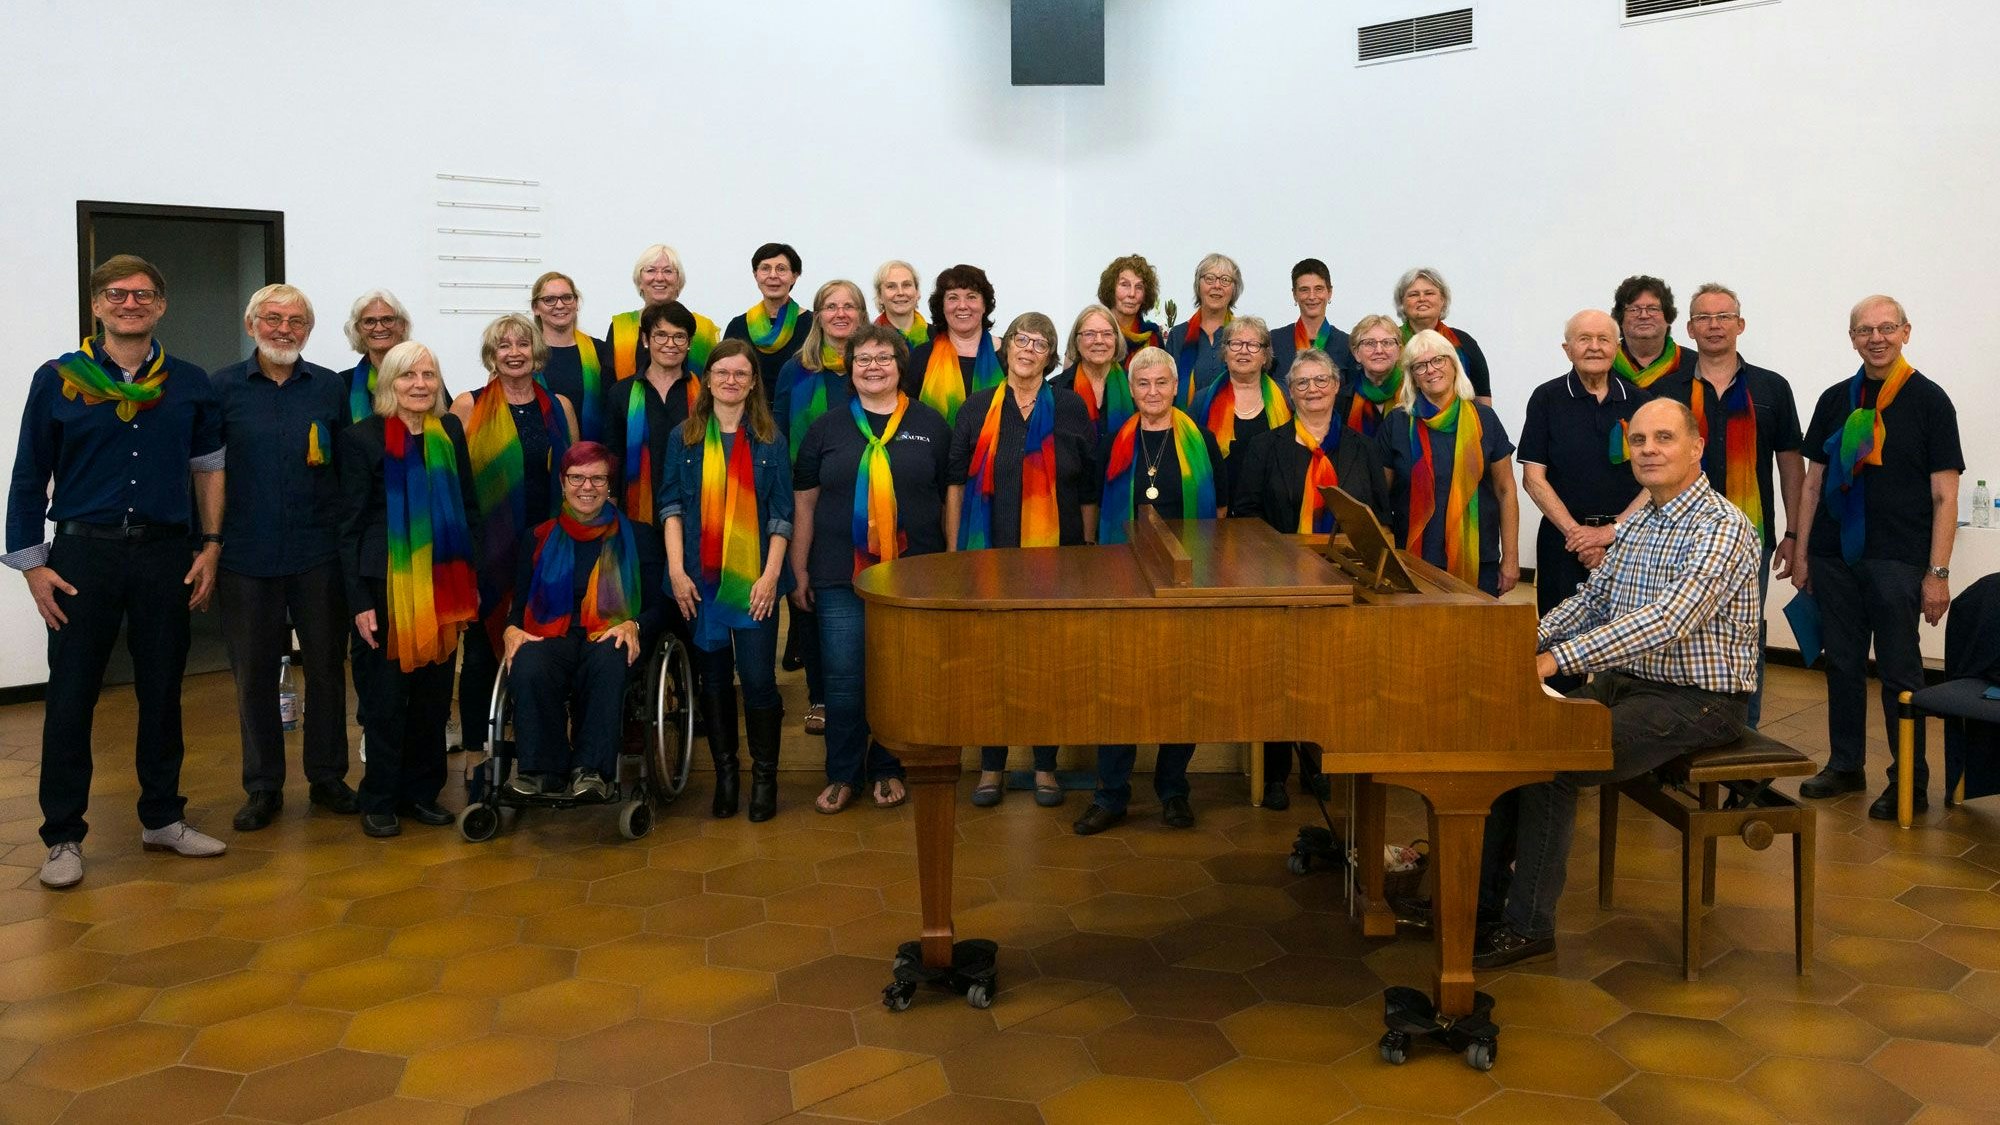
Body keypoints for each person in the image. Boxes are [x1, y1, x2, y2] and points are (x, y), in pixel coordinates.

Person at [1477, 397, 1760, 968]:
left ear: (1696, 448)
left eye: (1664, 439)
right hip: (1629, 685)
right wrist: (1518, 640)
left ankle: (1529, 925)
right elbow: (1595, 601)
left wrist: (1554, 662)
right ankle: (1476, 906)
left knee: (1554, 758)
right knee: (1512, 735)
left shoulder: (1722, 528)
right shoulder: (1642, 522)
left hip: (1701, 701)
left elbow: (1666, 621)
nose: (1649, 450)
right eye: (1639, 441)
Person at [6, 254, 229, 887]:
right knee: (72, 695)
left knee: (163, 689)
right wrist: (32, 567)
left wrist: (210, 544)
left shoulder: (187, 382)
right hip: (81, 556)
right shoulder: (57, 379)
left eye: (143, 294)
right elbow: (28, 475)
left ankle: (162, 816)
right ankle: (63, 837)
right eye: (116, 294)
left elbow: (209, 467)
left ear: (160, 306)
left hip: (165, 554)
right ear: (98, 305)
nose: (130, 303)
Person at [1794, 295, 1962, 818]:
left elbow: (1945, 495)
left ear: (1906, 333)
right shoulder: (1833, 399)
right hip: (1833, 554)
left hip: (1898, 559)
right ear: (1852, 338)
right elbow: (1814, 483)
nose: (1876, 338)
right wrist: (1802, 552)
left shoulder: (1930, 400)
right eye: (1864, 330)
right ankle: (1845, 764)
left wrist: (1937, 573)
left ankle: (1908, 777)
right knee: (1841, 663)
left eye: (1886, 328)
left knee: (1899, 672)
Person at [210, 283, 357, 832]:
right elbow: (204, 473)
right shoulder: (219, 388)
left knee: (324, 669)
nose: (284, 329)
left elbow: (344, 469)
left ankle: (326, 777)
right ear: (252, 325)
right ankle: (263, 785)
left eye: (296, 321)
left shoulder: (328, 389)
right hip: (245, 555)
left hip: (317, 552)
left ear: (309, 330)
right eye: (272, 319)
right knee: (253, 674)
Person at [790, 324, 951, 812]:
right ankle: (842, 773)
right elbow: (804, 504)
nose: (874, 367)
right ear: (849, 367)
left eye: (884, 358)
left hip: (913, 576)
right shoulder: (826, 428)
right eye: (864, 359)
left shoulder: (932, 424)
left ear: (901, 367)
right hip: (841, 575)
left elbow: (948, 500)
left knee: (897, 674)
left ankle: (886, 767)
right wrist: (799, 571)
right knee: (842, 679)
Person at [947, 312, 1098, 808]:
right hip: (988, 558)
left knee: (1044, 665)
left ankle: (1045, 767)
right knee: (991, 665)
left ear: (1052, 355)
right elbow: (954, 483)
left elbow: (1088, 487)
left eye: (1040, 342)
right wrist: (953, 555)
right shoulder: (976, 408)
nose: (1028, 349)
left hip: (1057, 562)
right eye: (1020, 339)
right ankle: (991, 765)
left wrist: (1087, 553)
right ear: (1006, 346)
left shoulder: (1072, 407)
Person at [1075, 346, 1225, 834]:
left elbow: (1219, 513)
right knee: (1118, 686)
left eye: (1162, 383)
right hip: (1124, 577)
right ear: (1132, 388)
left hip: (1190, 580)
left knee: (1182, 686)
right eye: (1143, 384)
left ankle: (1173, 788)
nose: (1153, 392)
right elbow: (1093, 502)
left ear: (1176, 386)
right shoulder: (1116, 440)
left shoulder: (1199, 436)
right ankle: (1110, 793)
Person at [1231, 348, 1390, 810]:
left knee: (1331, 676)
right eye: (1302, 383)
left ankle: (1320, 765)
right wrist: (1280, 557)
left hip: (1347, 582)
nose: (1313, 390)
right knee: (1280, 677)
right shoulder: (1266, 447)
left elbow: (1379, 515)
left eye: (1321, 381)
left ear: (1338, 386)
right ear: (1289, 392)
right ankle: (1277, 773)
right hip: (1282, 581)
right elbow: (1246, 515)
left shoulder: (1362, 447)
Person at [338, 340, 481, 838]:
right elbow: (349, 528)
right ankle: (379, 798)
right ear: (388, 384)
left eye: (428, 375)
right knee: (384, 700)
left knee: (433, 700)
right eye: (407, 376)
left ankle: (422, 793)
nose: (419, 385)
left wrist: (472, 584)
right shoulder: (361, 440)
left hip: (444, 585)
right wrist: (358, 603)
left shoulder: (450, 433)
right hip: (385, 591)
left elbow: (468, 508)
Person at [1651, 283, 1805, 728]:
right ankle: (1677, 732)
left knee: (1743, 636)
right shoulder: (1668, 388)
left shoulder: (1772, 387)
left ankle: (1742, 733)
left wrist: (1794, 534)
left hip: (1749, 536)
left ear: (1740, 324)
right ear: (1690, 328)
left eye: (1723, 316)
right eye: (1704, 317)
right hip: (1676, 534)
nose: (1714, 325)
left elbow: (1790, 466)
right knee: (1676, 633)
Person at [663, 340, 794, 821]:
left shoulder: (770, 439)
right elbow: (671, 506)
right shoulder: (686, 437)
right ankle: (726, 775)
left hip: (754, 580)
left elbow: (782, 515)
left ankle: (764, 778)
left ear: (754, 381)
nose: (731, 381)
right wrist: (677, 571)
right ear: (709, 378)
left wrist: (770, 576)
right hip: (699, 579)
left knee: (758, 680)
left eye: (741, 373)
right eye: (722, 372)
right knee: (714, 680)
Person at [500, 442, 667, 800]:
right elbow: (521, 600)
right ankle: (543, 770)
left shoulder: (638, 537)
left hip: (611, 631)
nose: (586, 487)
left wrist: (633, 625)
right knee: (527, 663)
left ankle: (590, 770)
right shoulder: (539, 536)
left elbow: (660, 605)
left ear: (610, 486)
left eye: (597, 479)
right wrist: (512, 628)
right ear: (562, 483)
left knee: (610, 657)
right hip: (553, 632)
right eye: (577, 478)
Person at [449, 315, 578, 762]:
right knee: (483, 651)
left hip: (547, 548)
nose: (514, 353)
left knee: (544, 642)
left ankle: (538, 746)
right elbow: (451, 483)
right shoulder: (467, 405)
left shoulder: (559, 406)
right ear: (492, 355)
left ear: (536, 351)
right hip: (487, 548)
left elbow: (575, 480)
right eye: (504, 346)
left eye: (523, 344)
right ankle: (477, 754)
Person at [1518, 310, 1653, 692]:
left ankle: (1616, 734)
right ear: (1567, 349)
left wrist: (1612, 532)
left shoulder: (1640, 401)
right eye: (1583, 339)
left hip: (1628, 542)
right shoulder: (1547, 398)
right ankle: (1562, 734)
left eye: (1603, 339)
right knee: (1559, 643)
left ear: (1617, 347)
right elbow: (1533, 478)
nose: (1594, 347)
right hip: (1563, 542)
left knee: (1626, 648)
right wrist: (1579, 534)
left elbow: (1653, 482)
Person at [774, 280, 868, 737]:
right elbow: (774, 431)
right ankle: (820, 695)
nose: (841, 314)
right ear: (817, 315)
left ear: (862, 313)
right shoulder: (796, 370)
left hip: (868, 495)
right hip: (806, 496)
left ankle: (870, 695)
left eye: (849, 306)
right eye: (831, 307)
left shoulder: (873, 364)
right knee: (806, 595)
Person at [1378, 330, 1521, 597]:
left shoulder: (1485, 420)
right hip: (1413, 560)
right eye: (1420, 366)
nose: (1430, 370)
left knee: (1477, 636)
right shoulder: (1397, 424)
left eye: (1438, 360)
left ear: (1454, 365)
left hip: (1478, 559)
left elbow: (1505, 490)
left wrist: (1511, 557)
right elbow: (1380, 499)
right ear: (1413, 378)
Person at [905, 264, 1001, 427]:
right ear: (942, 306)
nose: (962, 305)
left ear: (984, 305)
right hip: (935, 451)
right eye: (953, 298)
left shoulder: (1009, 355)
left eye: (971, 297)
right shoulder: (921, 357)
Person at [606, 244, 720, 380]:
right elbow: (608, 385)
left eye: (668, 271)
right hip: (627, 401)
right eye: (651, 271)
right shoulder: (620, 327)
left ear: (678, 280)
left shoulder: (702, 328)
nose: (659, 278)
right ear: (639, 280)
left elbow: (713, 382)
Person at [1192, 316, 1291, 471]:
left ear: (1265, 356)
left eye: (1253, 345)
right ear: (1225, 353)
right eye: (1236, 344)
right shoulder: (1202, 401)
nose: (1243, 351)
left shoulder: (1286, 397)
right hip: (1220, 492)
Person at [529, 271, 615, 444]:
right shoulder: (525, 355)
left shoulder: (600, 351)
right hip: (539, 455)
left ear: (576, 303)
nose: (560, 305)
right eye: (549, 300)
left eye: (567, 297)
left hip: (591, 458)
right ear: (536, 308)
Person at [1394, 267, 1491, 404]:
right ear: (1402, 303)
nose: (1422, 299)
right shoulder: (1389, 342)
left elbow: (1483, 398)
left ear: (1443, 300)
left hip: (1459, 423)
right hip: (1399, 422)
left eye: (1429, 293)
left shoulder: (1464, 342)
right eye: (1413, 294)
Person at [724, 242, 813, 387]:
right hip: (749, 408)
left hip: (798, 407)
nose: (773, 275)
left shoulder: (813, 324)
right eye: (765, 268)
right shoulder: (738, 326)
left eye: (781, 269)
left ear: (795, 276)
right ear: (755, 275)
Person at [1051, 304, 1135, 443]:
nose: (1099, 341)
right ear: (1077, 341)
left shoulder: (1135, 386)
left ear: (1116, 339)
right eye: (1090, 334)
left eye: (1107, 334)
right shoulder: (1057, 388)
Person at [1270, 258, 1357, 383]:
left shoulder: (1347, 345)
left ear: (1329, 292)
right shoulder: (1275, 341)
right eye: (1304, 290)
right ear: (1294, 294)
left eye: (1318, 289)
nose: (1312, 296)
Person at [1173, 253, 1241, 406]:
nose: (1216, 286)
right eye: (1209, 278)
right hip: (1188, 425)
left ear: (1234, 289)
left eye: (1225, 280)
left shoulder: (1245, 335)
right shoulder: (1178, 335)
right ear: (1198, 285)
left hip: (1234, 423)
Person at [340, 289, 413, 425]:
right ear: (358, 330)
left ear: (402, 326)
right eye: (369, 321)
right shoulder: (342, 383)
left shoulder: (423, 379)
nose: (379, 328)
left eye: (387, 319)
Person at [1611, 275, 1696, 390]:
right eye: (1634, 309)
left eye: (1652, 309)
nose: (1644, 315)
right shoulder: (1605, 364)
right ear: (1620, 319)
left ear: (1668, 317)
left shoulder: (1694, 365)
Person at [1333, 314, 1405, 439]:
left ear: (1399, 351)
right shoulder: (1340, 401)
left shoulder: (1414, 395)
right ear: (1356, 353)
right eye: (1369, 343)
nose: (1378, 350)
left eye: (1387, 343)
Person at [1096, 253, 1164, 358]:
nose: (1132, 294)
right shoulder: (1093, 332)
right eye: (1124, 285)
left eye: (1139, 287)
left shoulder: (1153, 337)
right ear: (1111, 289)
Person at [873, 260, 929, 346]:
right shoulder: (868, 340)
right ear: (880, 296)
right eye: (891, 286)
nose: (900, 292)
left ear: (917, 292)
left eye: (906, 285)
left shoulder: (939, 337)